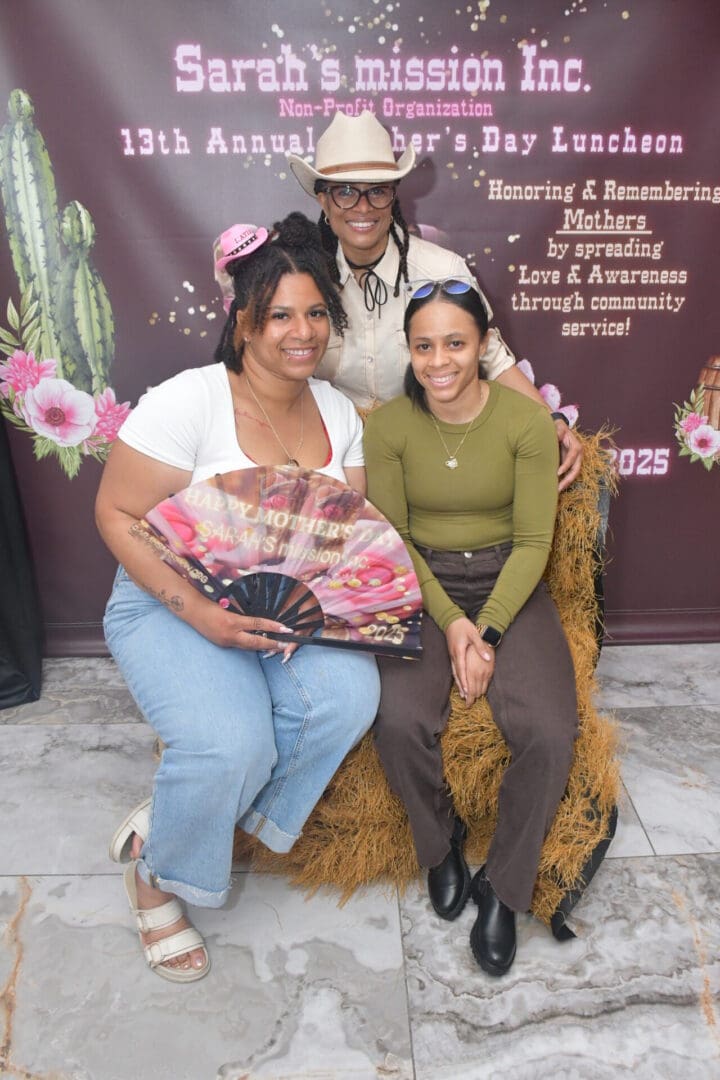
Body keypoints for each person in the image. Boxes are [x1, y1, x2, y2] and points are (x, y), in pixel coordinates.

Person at [96, 213, 381, 982]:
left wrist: (307, 606)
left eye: (317, 312)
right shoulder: (189, 401)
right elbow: (116, 516)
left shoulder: (339, 413)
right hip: (167, 601)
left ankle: (181, 820)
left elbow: (338, 536)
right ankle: (157, 878)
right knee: (231, 741)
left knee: (348, 695)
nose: (303, 331)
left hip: (276, 606)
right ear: (244, 322)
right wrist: (206, 617)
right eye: (281, 314)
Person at [363, 280, 579, 976]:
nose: (439, 361)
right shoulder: (389, 426)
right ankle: (440, 844)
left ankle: (504, 888)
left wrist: (484, 631)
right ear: (409, 350)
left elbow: (532, 544)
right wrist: (452, 624)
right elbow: (394, 538)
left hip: (508, 582)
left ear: (483, 345)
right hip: (421, 582)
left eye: (455, 343)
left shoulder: (524, 422)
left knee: (549, 732)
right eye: (424, 345)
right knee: (397, 721)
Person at [285, 110, 582, 491]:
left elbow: (492, 359)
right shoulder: (302, 281)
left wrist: (551, 421)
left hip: (427, 462)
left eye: (377, 190)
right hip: (333, 466)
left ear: (393, 196)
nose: (363, 207)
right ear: (323, 201)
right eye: (345, 191)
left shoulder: (442, 268)